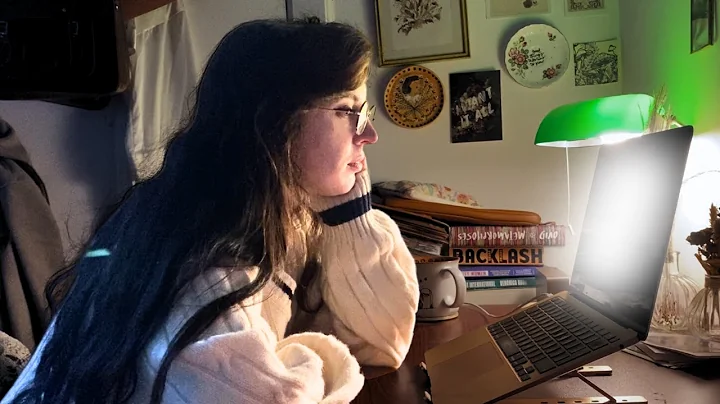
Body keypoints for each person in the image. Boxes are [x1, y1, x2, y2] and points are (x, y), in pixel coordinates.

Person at [2, 17, 419, 404]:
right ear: (274, 123)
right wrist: (317, 355)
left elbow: (383, 344)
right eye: (348, 111)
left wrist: (350, 213)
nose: (369, 134)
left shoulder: (287, 219)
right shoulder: (208, 256)